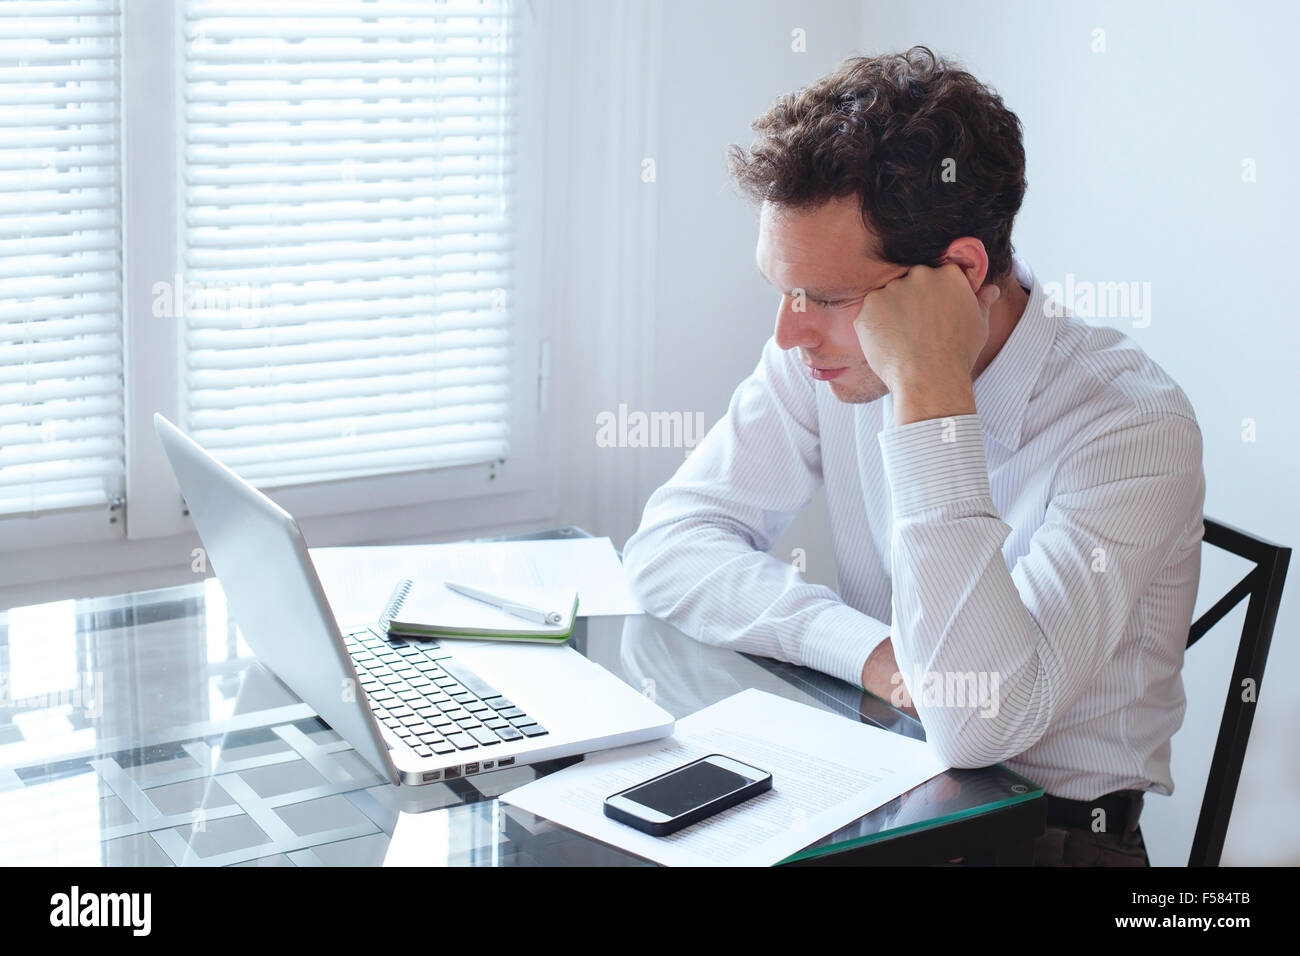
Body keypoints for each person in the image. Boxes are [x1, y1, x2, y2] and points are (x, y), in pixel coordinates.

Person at [621, 46, 1204, 866]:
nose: (789, 334)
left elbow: (975, 724)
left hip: (1053, 840)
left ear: (960, 273)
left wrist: (932, 392)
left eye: (823, 298)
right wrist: (873, 655)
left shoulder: (1132, 428)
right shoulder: (820, 353)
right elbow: (669, 546)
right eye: (781, 289)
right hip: (883, 779)